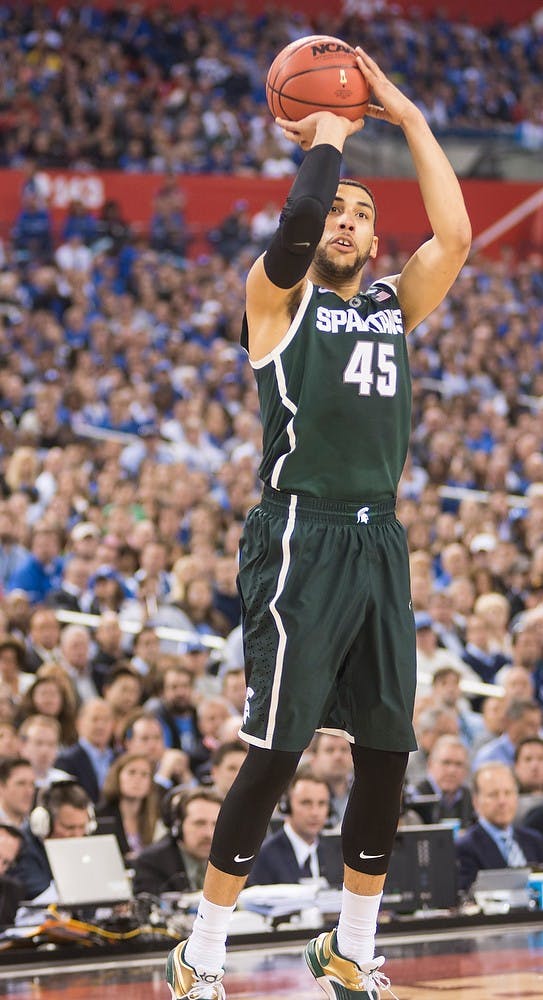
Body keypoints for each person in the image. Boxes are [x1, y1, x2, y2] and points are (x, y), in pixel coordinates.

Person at [166, 45, 471, 1000]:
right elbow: (295, 221)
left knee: (387, 749)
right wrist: (333, 137)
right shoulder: (277, 301)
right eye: (336, 209)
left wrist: (408, 119)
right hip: (301, 533)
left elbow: (454, 237)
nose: (344, 219)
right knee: (277, 750)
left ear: (375, 244)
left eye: (361, 214)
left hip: (379, 538)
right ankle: (202, 950)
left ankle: (350, 945)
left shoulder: (390, 305)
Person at [247, 766, 342, 888]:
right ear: (286, 805)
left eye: (322, 803)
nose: (315, 812)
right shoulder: (264, 856)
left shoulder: (338, 854)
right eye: (306, 803)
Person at [456, 762, 543, 894]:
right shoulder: (465, 847)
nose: (502, 801)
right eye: (493, 794)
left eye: (508, 793)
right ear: (476, 801)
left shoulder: (535, 840)